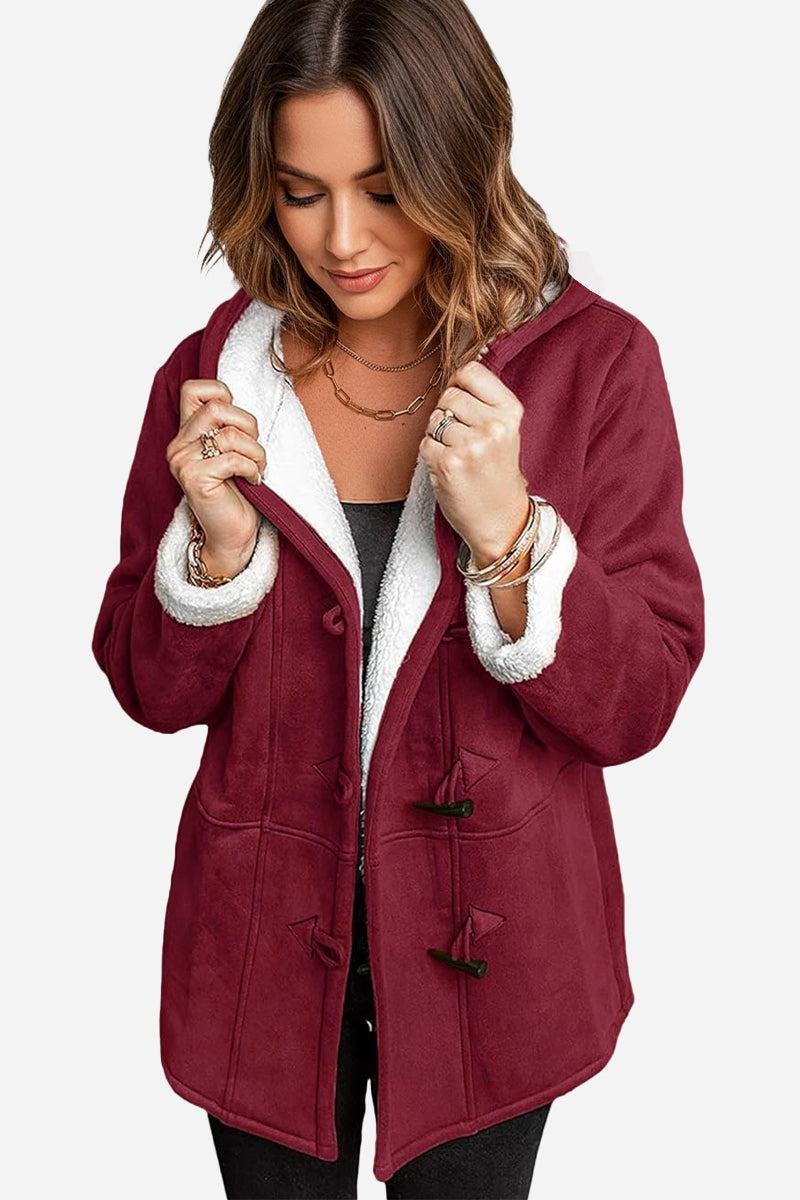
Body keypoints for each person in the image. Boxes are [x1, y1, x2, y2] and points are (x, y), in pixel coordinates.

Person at [91, 1, 705, 1196]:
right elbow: (147, 689)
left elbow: (638, 702)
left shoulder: (593, 366)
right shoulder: (214, 379)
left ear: (461, 160)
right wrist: (216, 553)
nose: (342, 239)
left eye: (383, 188)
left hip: (501, 951)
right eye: (299, 191)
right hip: (259, 952)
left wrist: (510, 539)